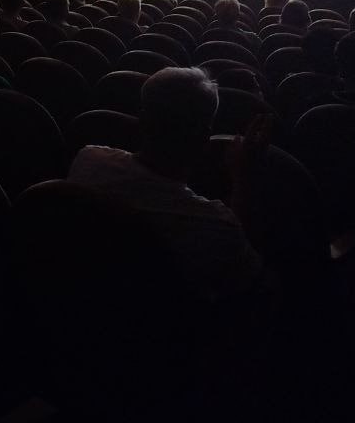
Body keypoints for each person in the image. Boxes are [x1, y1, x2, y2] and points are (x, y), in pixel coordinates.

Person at [68, 66, 264, 303]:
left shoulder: (87, 161)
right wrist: (242, 178)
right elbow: (248, 276)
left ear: (141, 119)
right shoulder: (213, 226)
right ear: (205, 137)